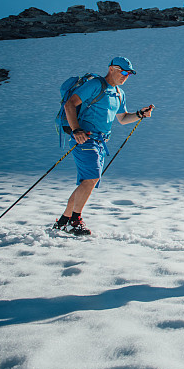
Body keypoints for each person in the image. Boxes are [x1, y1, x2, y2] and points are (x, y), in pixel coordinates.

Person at [53, 56, 154, 235]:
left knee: (87, 182)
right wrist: (76, 130)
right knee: (92, 179)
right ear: (112, 69)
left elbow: (122, 119)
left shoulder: (119, 94)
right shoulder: (95, 85)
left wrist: (140, 114)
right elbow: (70, 104)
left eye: (129, 74)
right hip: (84, 138)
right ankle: (75, 221)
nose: (125, 76)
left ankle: (63, 221)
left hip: (100, 142)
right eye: (123, 72)